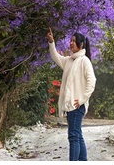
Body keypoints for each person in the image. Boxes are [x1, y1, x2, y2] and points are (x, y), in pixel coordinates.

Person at [47, 27, 96, 161]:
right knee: (77, 135)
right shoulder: (69, 60)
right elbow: (56, 57)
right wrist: (52, 43)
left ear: (81, 45)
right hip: (70, 105)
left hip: (77, 105)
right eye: (71, 40)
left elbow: (92, 82)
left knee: (73, 136)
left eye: (74, 41)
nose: (71, 43)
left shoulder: (84, 61)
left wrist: (82, 100)